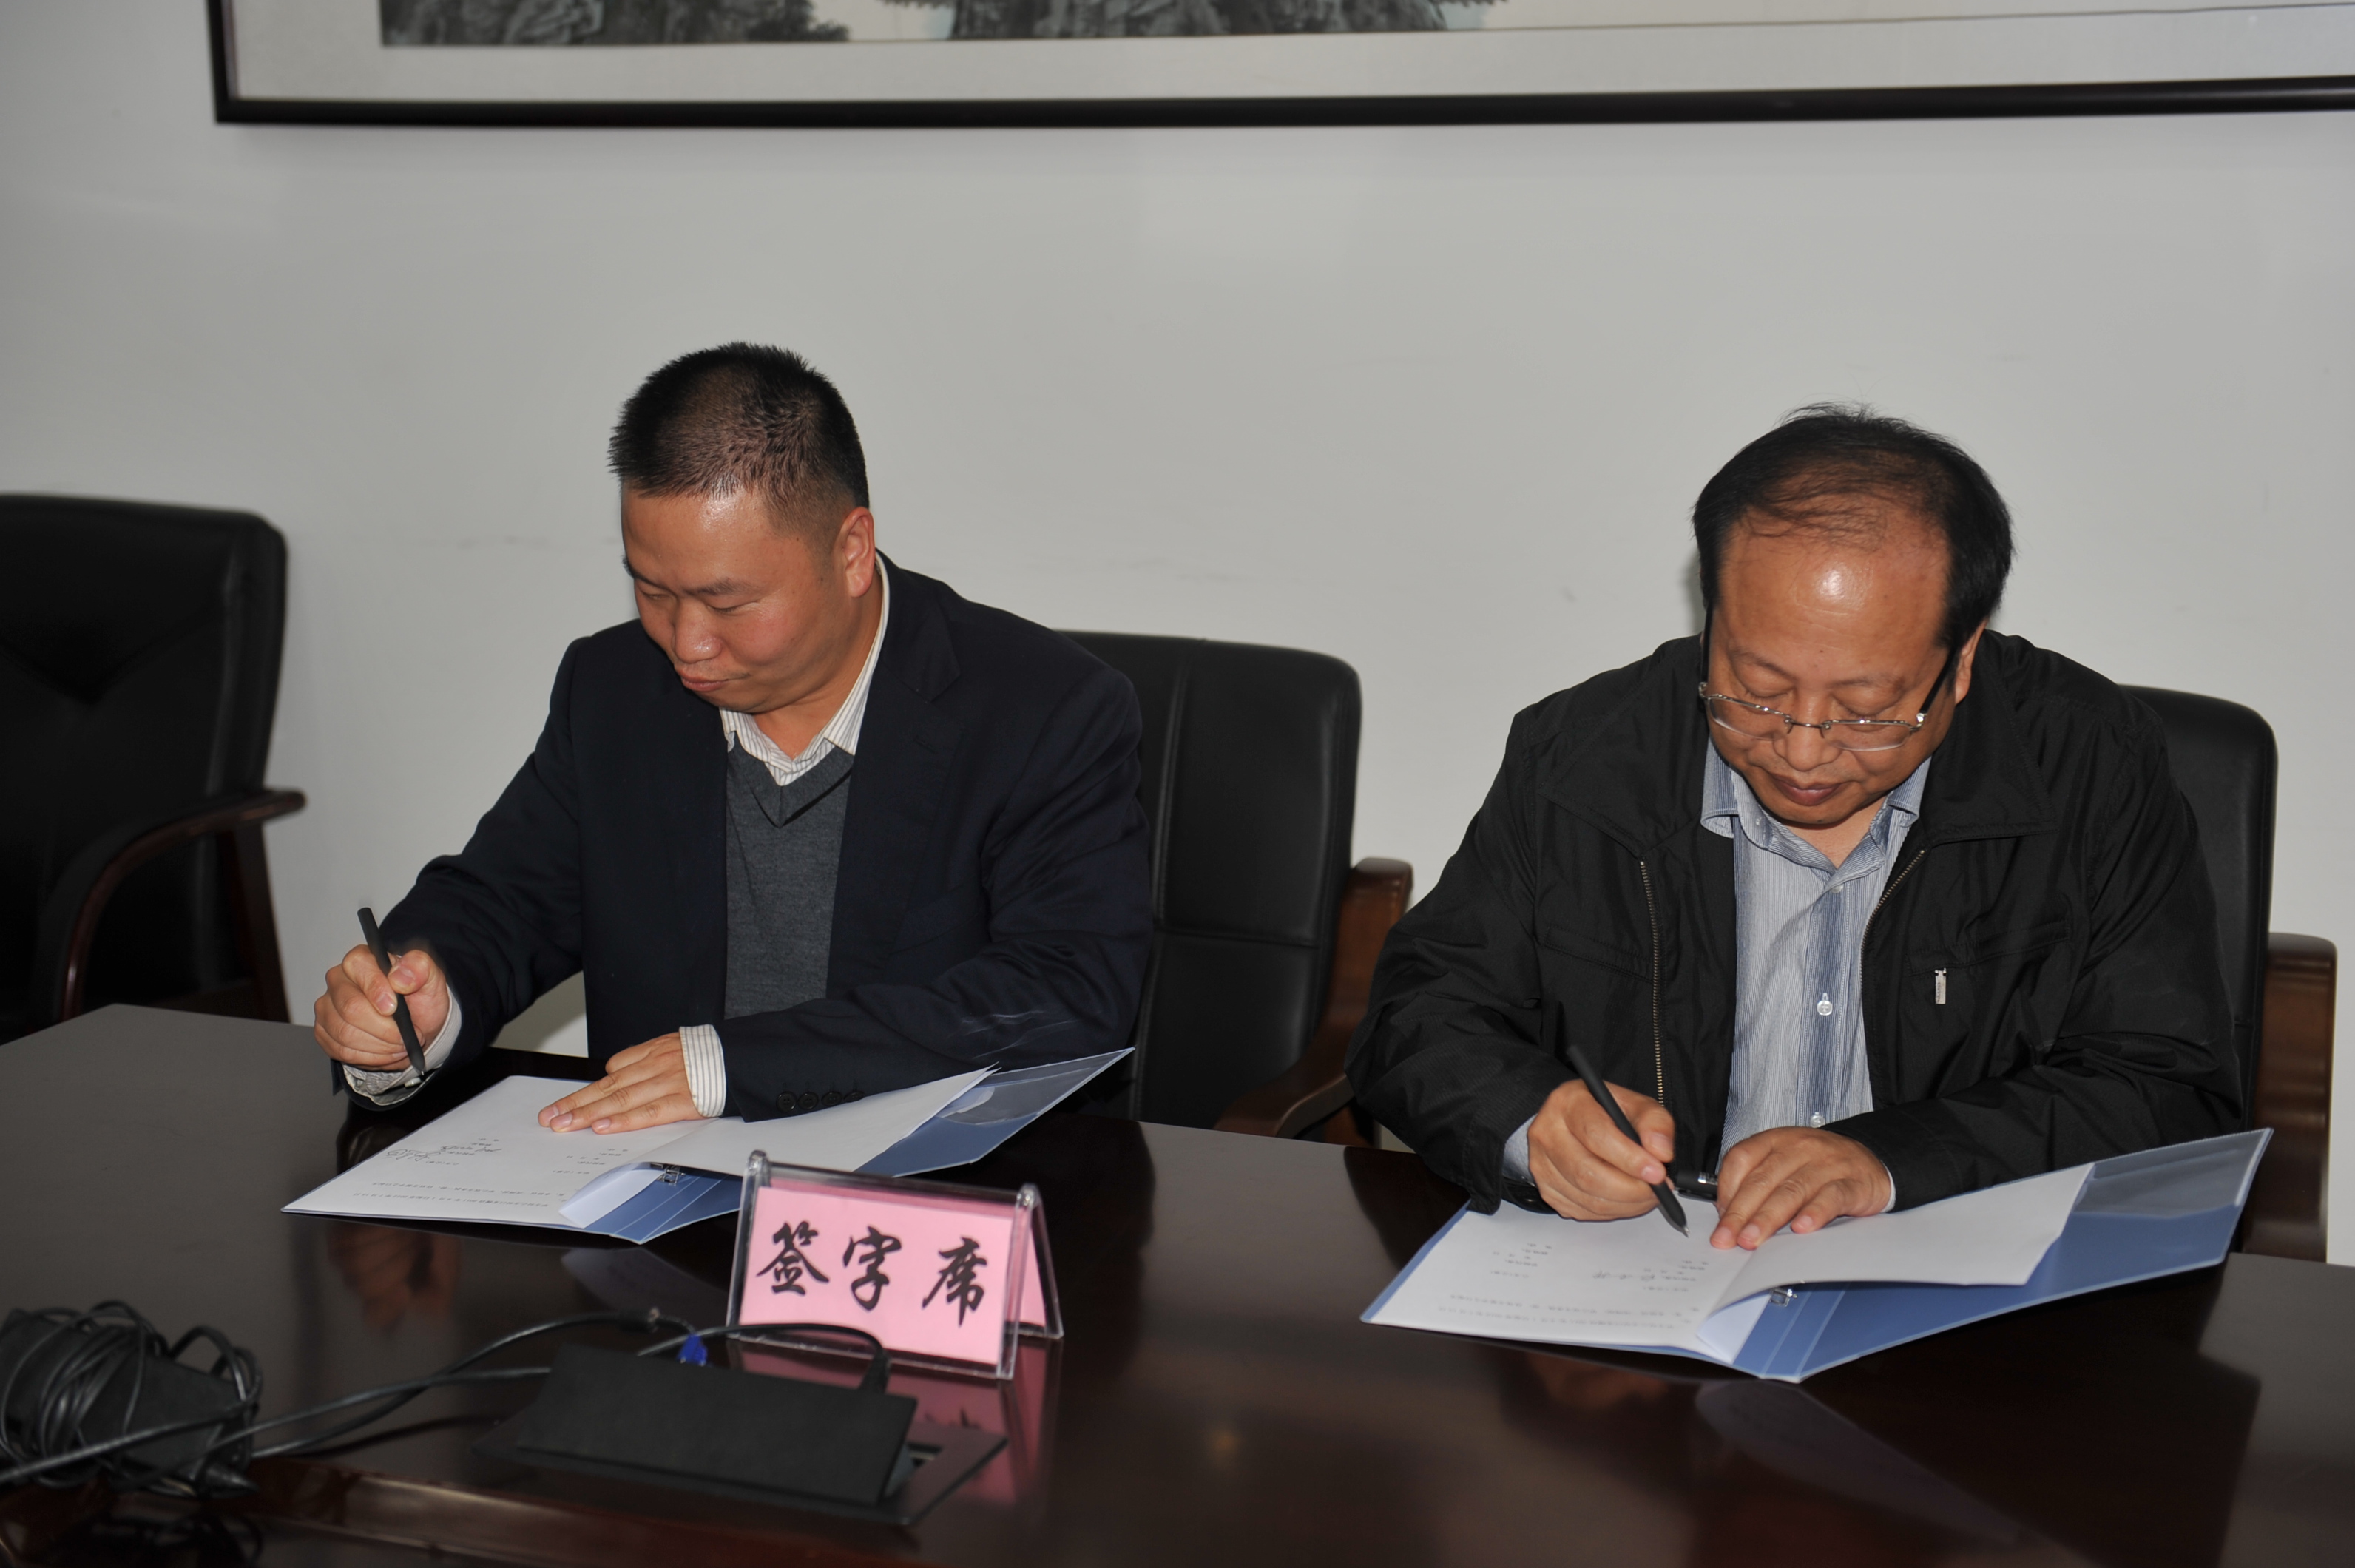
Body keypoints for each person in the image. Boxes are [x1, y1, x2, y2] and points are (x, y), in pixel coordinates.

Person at [1347, 406, 2239, 1251]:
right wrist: (1529, 1121)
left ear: (1962, 659)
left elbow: (2167, 1088)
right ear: (1710, 618)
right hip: (1657, 1281)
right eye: (1757, 689)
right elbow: (1416, 1015)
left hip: (1962, 1302)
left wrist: (1892, 1160)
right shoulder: (1584, 755)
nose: (1802, 749)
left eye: (1866, 707)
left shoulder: (2089, 765)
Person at [311, 343, 1153, 1133]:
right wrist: (422, 1005)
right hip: (659, 1202)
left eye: (728, 602)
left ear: (851, 552)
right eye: (653, 590)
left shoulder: (1043, 710)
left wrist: (733, 1066)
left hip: (935, 1204)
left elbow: (1069, 992)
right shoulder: (614, 690)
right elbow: (504, 899)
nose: (687, 644)